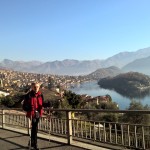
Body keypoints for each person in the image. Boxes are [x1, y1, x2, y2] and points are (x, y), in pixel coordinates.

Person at [23, 82, 44, 150]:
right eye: (34, 87)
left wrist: (48, 104)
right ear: (32, 87)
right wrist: (29, 108)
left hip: (38, 114)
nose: (36, 88)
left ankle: (31, 143)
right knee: (34, 128)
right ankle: (35, 145)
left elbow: (42, 104)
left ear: (39, 87)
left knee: (35, 129)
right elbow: (24, 107)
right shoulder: (28, 95)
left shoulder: (40, 95)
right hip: (32, 114)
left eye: (37, 87)